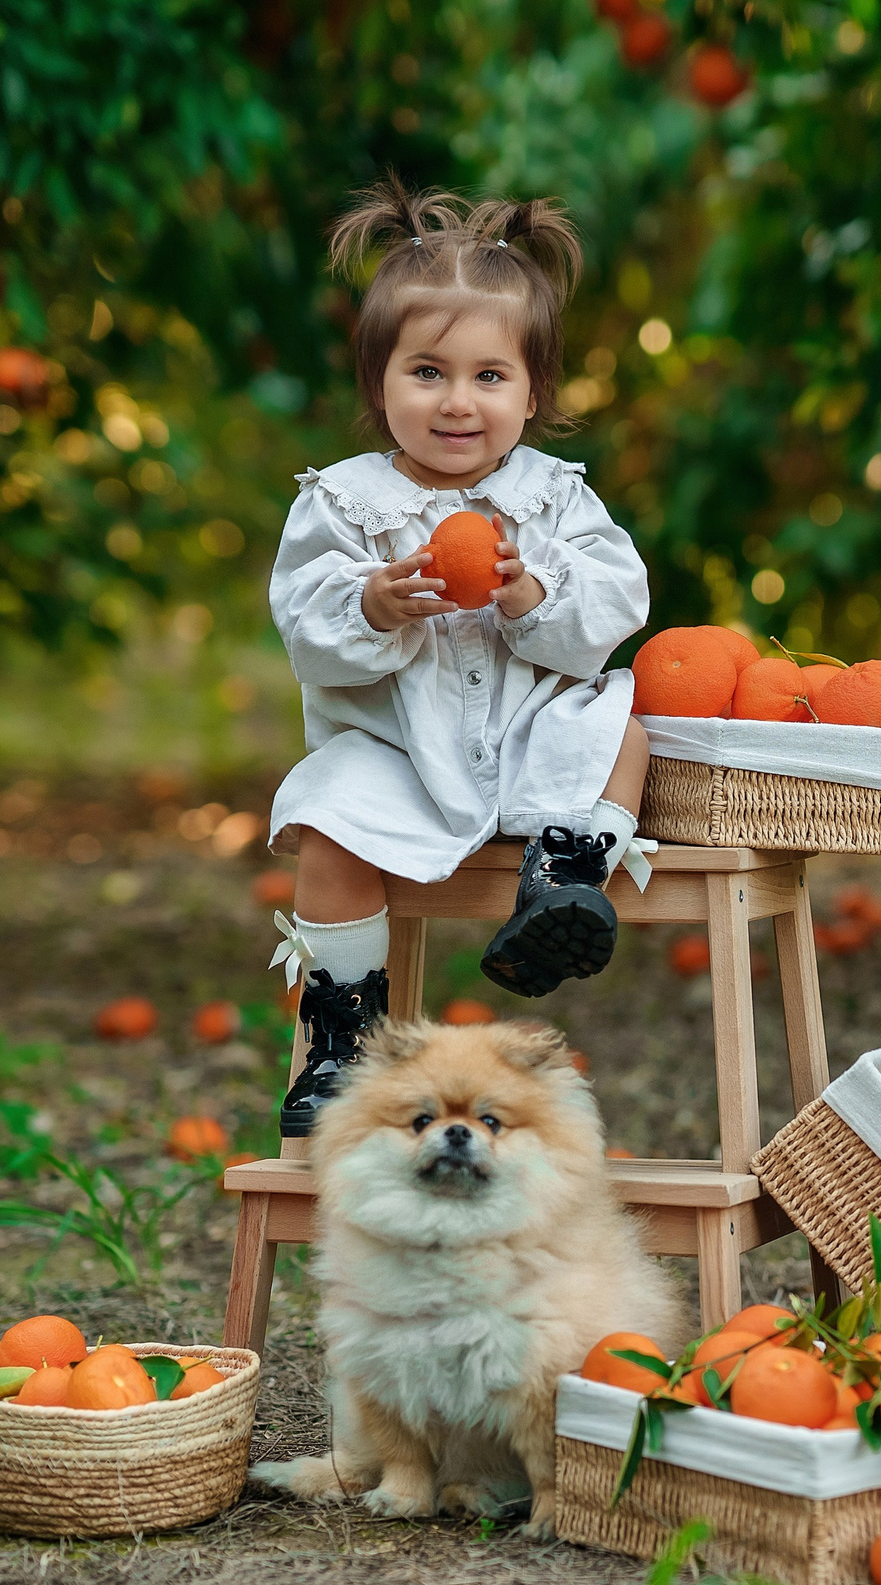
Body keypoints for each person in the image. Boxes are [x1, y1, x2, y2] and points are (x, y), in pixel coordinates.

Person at [263, 179, 652, 1142]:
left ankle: (562, 880)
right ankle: (340, 1040)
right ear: (379, 382)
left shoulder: (555, 499)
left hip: (528, 748)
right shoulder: (343, 504)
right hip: (398, 757)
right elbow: (303, 623)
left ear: (533, 393)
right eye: (427, 372)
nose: (457, 402)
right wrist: (372, 602)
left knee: (619, 725)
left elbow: (617, 604)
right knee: (325, 809)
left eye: (489, 377)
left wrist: (536, 596)